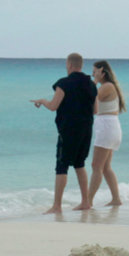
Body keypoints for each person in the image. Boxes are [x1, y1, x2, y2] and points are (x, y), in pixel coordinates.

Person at [32, 53, 98, 213]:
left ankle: (57, 206)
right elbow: (95, 110)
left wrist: (42, 101)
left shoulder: (64, 83)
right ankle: (85, 202)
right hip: (87, 129)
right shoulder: (91, 84)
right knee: (79, 163)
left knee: (62, 165)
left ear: (69, 65)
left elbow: (53, 105)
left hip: (69, 130)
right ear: (81, 65)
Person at [86, 60, 125, 208]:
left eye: (94, 71)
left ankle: (88, 201)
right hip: (109, 126)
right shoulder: (108, 86)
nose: (92, 74)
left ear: (103, 71)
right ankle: (116, 198)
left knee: (96, 165)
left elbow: (90, 96)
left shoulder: (107, 86)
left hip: (107, 127)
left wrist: (94, 81)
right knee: (106, 167)